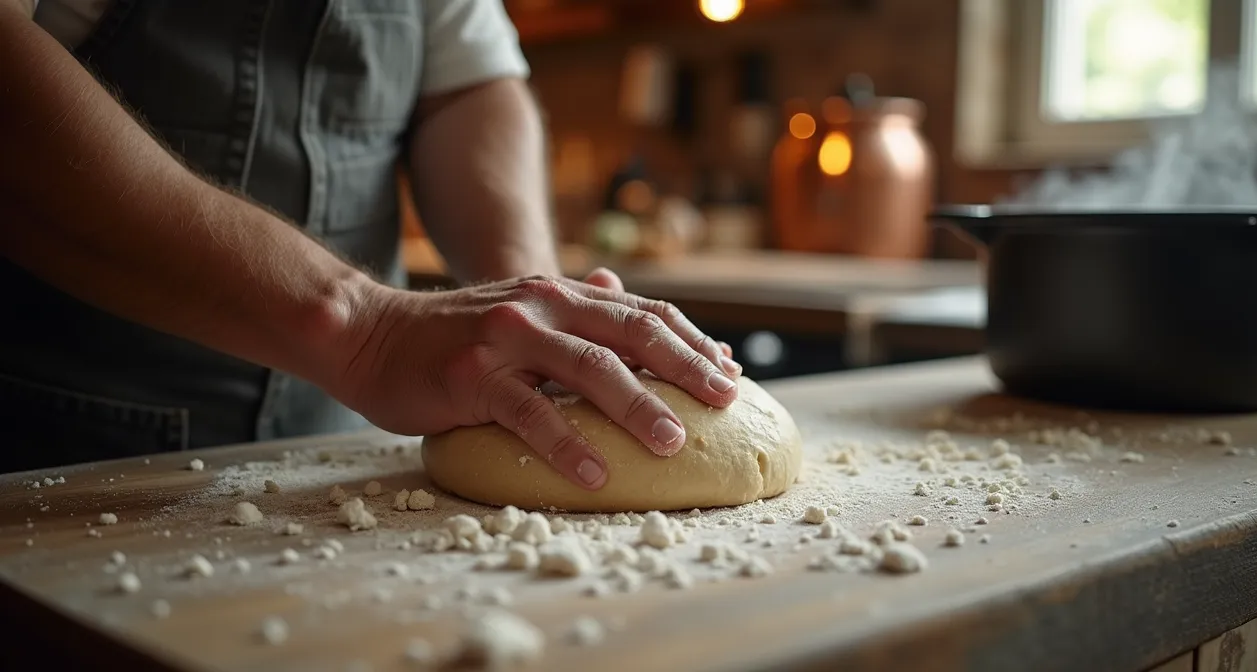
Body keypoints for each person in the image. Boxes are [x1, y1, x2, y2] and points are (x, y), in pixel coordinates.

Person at [0, 0, 742, 487]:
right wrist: (365, 329)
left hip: (346, 455)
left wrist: (527, 316)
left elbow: (466, 80)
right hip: (70, 448)